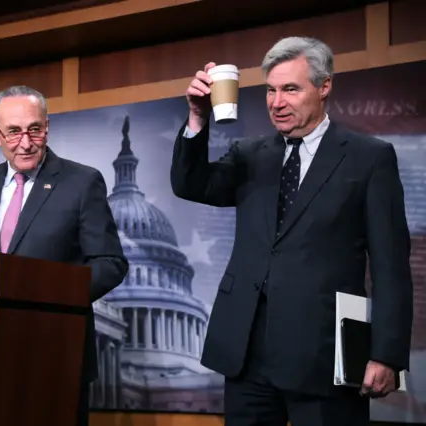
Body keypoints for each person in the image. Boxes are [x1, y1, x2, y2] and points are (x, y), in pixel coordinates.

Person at [170, 36, 413, 426]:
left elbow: (390, 266)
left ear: (324, 86)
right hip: (246, 354)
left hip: (323, 358)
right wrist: (198, 118)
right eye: (270, 90)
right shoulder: (249, 155)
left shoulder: (370, 158)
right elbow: (190, 185)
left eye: (290, 89)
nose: (276, 102)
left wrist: (386, 354)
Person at [0, 85, 128, 426]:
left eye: (34, 129)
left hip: (55, 352)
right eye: (13, 132)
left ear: (46, 127)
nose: (25, 142)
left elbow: (110, 264)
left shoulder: (81, 182)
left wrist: (48, 294)